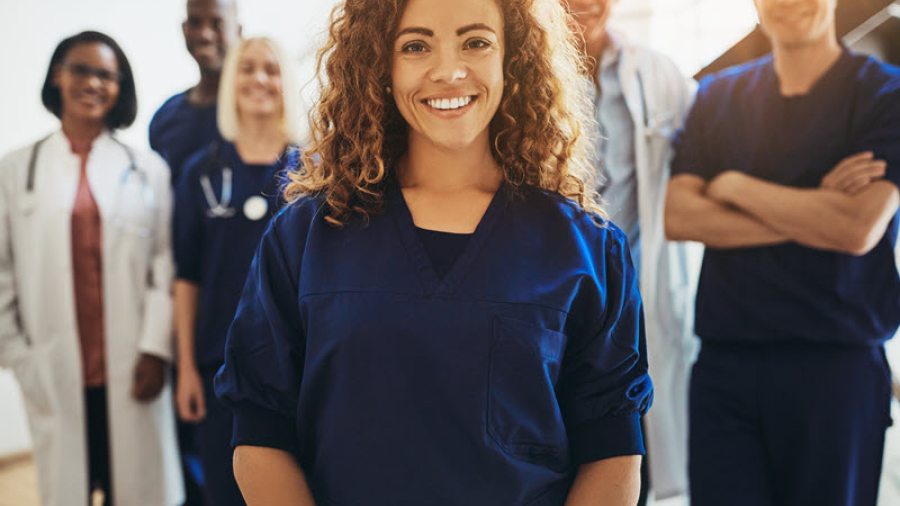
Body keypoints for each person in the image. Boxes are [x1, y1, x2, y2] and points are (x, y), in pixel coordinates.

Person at [215, 0, 652, 504]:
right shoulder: (305, 238)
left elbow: (612, 452)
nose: (448, 70)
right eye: (416, 46)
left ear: (513, 59)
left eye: (476, 42)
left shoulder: (588, 251)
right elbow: (261, 434)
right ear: (380, 63)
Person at [665, 0, 900, 504]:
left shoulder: (886, 95)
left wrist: (732, 185)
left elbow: (857, 227)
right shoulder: (717, 95)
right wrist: (816, 208)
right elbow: (680, 216)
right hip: (725, 370)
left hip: (836, 369)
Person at [0, 31, 183, 506]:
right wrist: (20, 357)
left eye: (107, 74)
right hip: (54, 368)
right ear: (57, 76)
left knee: (140, 490)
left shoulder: (148, 170)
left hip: (132, 368)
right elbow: (2, 272)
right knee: (68, 490)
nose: (94, 83)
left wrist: (154, 349)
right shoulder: (15, 170)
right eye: (81, 69)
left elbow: (164, 264)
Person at [565, 0, 701, 502]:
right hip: (556, 309)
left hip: (634, 316)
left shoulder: (655, 73)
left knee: (627, 466)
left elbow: (718, 147)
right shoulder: (512, 76)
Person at [173, 36, 302, 506]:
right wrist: (185, 367)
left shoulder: (314, 171)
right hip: (216, 367)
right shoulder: (200, 173)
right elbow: (186, 276)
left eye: (271, 68)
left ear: (287, 81)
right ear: (231, 81)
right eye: (247, 69)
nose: (259, 79)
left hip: (296, 370)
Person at [149, 0, 241, 185]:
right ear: (184, 29)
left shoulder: (257, 111)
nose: (205, 35)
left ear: (238, 32)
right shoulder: (165, 118)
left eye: (218, 23)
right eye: (195, 22)